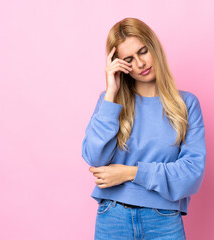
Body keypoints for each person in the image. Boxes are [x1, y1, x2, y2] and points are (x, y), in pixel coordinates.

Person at [82, 17, 206, 240]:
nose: (140, 64)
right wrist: (111, 93)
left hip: (164, 219)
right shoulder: (109, 103)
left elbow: (191, 174)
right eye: (128, 59)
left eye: (143, 51)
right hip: (113, 217)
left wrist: (128, 173)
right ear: (119, 64)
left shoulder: (186, 104)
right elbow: (94, 158)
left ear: (154, 47)